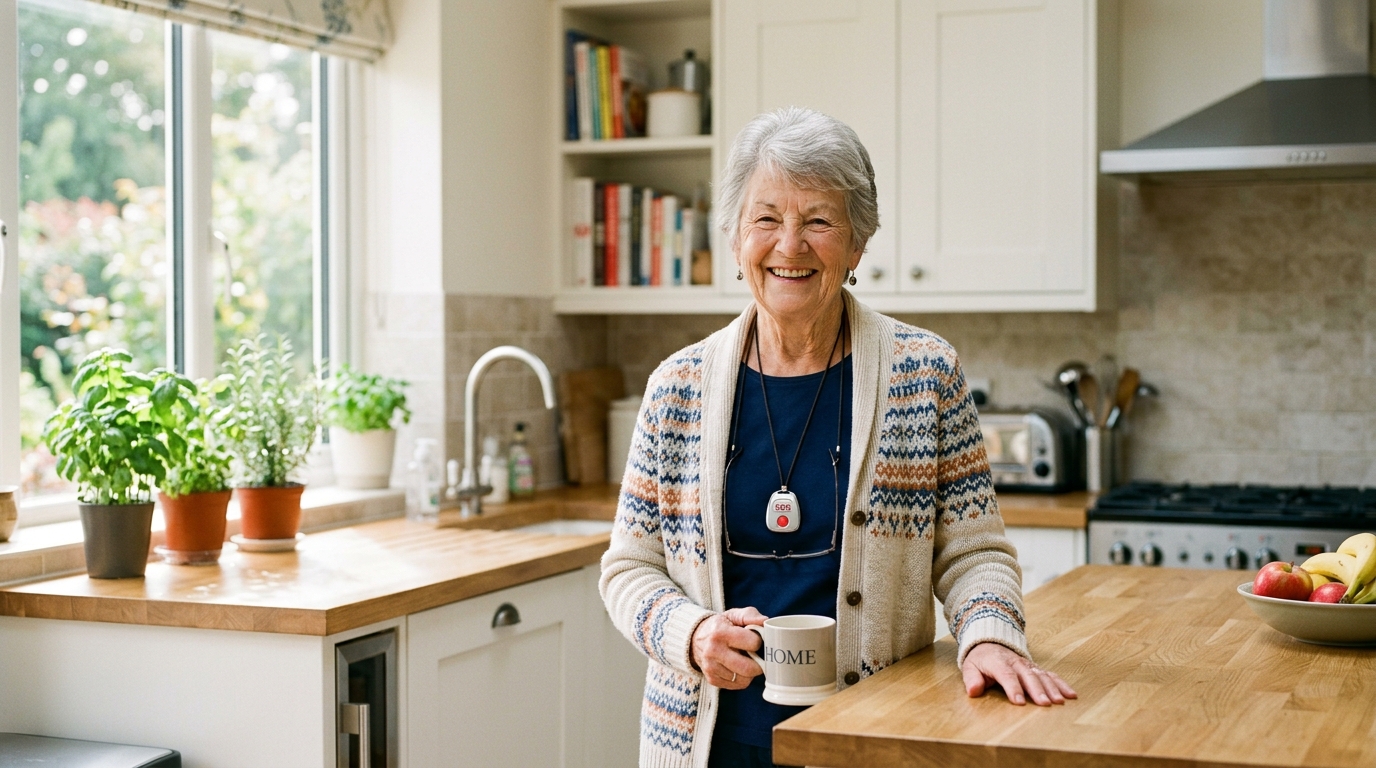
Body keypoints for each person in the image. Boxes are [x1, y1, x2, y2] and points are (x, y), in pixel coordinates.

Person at [600, 107, 1075, 768]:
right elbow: (629, 567)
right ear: (737, 238)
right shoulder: (676, 386)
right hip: (706, 743)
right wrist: (692, 633)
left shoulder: (925, 372)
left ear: (857, 245)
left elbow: (974, 552)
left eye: (818, 221)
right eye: (766, 218)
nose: (789, 246)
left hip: (874, 737)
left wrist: (989, 639)